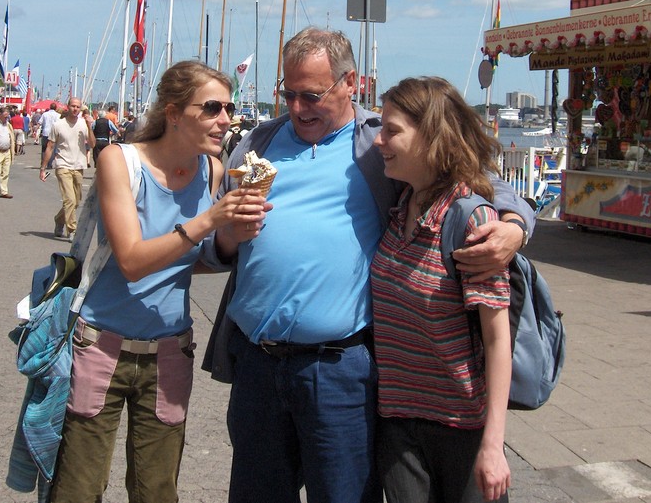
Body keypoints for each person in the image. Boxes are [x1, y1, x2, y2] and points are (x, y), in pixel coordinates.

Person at [205, 27, 533, 503]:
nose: (298, 108)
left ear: (350, 83)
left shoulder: (380, 143)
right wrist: (228, 238)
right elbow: (216, 246)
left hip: (339, 370)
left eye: (312, 95)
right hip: (259, 363)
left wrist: (516, 228)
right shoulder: (258, 141)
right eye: (289, 93)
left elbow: (476, 179)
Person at [49, 61, 268, 502]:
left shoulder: (212, 170)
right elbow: (131, 260)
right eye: (211, 108)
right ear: (172, 112)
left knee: (157, 491)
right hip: (101, 345)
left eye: (228, 108)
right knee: (79, 487)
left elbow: (191, 260)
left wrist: (230, 237)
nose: (225, 119)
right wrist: (210, 219)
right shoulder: (120, 161)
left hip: (170, 349)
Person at [372, 77, 512, 503]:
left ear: (432, 136)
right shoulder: (401, 208)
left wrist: (493, 445)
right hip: (397, 423)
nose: (379, 141)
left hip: (460, 428)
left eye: (392, 130)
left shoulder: (471, 220)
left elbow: (496, 337)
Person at [40, 98, 95, 240]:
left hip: (78, 165)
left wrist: (89, 126)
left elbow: (93, 144)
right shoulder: (58, 125)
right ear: (67, 107)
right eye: (73, 106)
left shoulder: (83, 124)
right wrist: (43, 167)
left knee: (76, 201)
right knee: (69, 199)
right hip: (62, 164)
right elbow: (50, 147)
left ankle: (59, 219)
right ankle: (72, 229)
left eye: (78, 107)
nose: (75, 109)